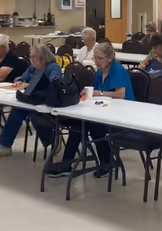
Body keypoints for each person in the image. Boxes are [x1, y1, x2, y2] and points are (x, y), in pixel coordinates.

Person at [49, 42, 135, 178]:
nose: (96, 61)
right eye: (95, 58)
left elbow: (121, 94)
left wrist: (98, 93)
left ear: (109, 58)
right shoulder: (100, 72)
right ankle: (67, 163)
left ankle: (106, 163)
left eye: (99, 58)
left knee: (95, 126)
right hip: (105, 109)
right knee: (78, 124)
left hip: (123, 112)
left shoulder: (117, 69)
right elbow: (97, 91)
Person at [0, 44, 63, 158]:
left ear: (43, 57)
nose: (31, 60)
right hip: (32, 99)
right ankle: (4, 146)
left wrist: (29, 85)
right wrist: (19, 81)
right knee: (16, 111)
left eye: (34, 57)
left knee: (34, 114)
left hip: (47, 101)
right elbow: (22, 77)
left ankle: (52, 140)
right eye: (31, 57)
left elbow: (54, 84)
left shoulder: (53, 67)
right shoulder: (32, 67)